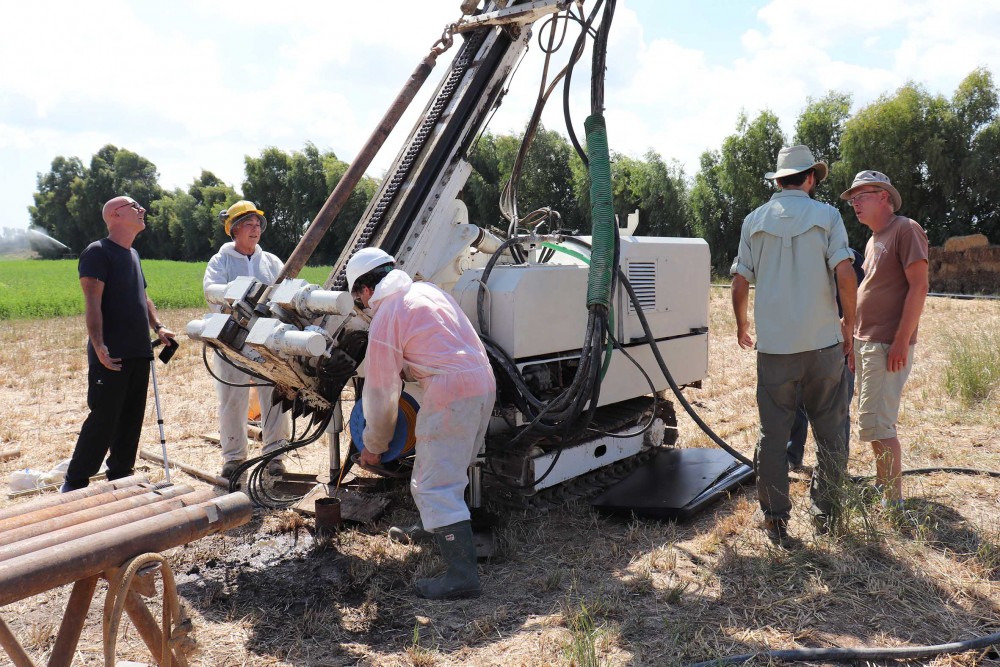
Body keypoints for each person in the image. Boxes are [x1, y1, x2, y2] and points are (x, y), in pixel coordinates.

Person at [348, 247, 496, 599]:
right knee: (449, 469)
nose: (363, 305)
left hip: (451, 393)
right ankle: (438, 529)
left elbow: (381, 397)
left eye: (358, 298)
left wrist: (374, 446)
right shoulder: (427, 291)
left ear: (367, 289)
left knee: (432, 484)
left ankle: (462, 578)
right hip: (483, 382)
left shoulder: (386, 317)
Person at [730, 145, 858, 543]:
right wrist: (848, 325)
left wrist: (741, 324)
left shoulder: (754, 220)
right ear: (810, 178)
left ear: (779, 179)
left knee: (773, 435)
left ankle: (775, 519)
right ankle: (826, 514)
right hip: (823, 345)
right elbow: (845, 274)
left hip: (775, 350)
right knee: (832, 432)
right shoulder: (828, 216)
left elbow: (739, 281)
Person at [62, 196, 175, 492]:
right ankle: (74, 484)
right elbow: (92, 302)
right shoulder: (98, 252)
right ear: (115, 214)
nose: (143, 210)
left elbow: (143, 297)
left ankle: (121, 477)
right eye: (135, 206)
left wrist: (159, 327)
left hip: (140, 351)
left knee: (131, 420)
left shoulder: (133, 254)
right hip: (111, 354)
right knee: (103, 420)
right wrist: (98, 344)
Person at [840, 171, 929, 509]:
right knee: (872, 420)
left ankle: (893, 502)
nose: (855, 203)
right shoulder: (875, 238)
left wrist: (901, 340)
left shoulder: (905, 230)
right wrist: (855, 342)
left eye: (862, 195)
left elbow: (919, 287)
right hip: (868, 343)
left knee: (880, 423)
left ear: (885, 197)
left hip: (886, 345)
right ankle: (882, 485)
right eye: (853, 198)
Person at [204, 200, 290, 480]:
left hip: (266, 340)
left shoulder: (271, 262)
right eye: (249, 224)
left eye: (257, 224)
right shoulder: (221, 262)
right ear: (235, 230)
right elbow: (212, 293)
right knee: (233, 398)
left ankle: (275, 456)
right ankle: (233, 458)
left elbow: (285, 293)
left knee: (274, 396)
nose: (255, 229)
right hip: (232, 340)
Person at [786, 247, 865, 472]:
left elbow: (862, 296)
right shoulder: (799, 257)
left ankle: (835, 468)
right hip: (804, 341)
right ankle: (792, 456)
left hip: (840, 342)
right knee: (796, 402)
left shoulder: (851, 259)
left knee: (837, 407)